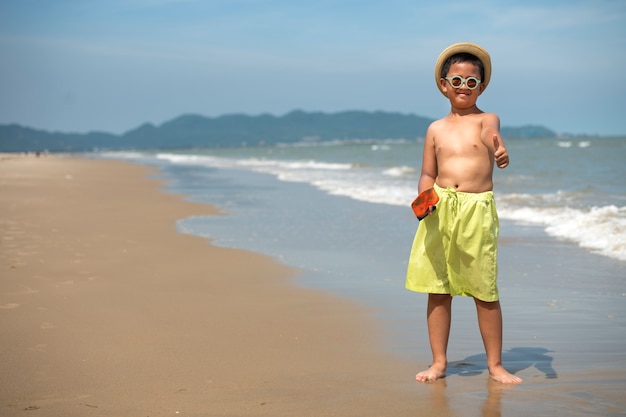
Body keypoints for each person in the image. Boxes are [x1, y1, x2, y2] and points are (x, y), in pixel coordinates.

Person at [405, 42, 522, 384]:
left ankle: (496, 365)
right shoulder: (435, 129)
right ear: (444, 84)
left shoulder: (487, 119)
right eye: (457, 81)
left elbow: (491, 135)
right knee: (437, 287)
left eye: (471, 83)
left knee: (483, 288)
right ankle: (439, 362)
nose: (463, 89)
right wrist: (424, 197)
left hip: (476, 211)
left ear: (481, 87)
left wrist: (498, 149)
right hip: (440, 209)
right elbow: (428, 172)